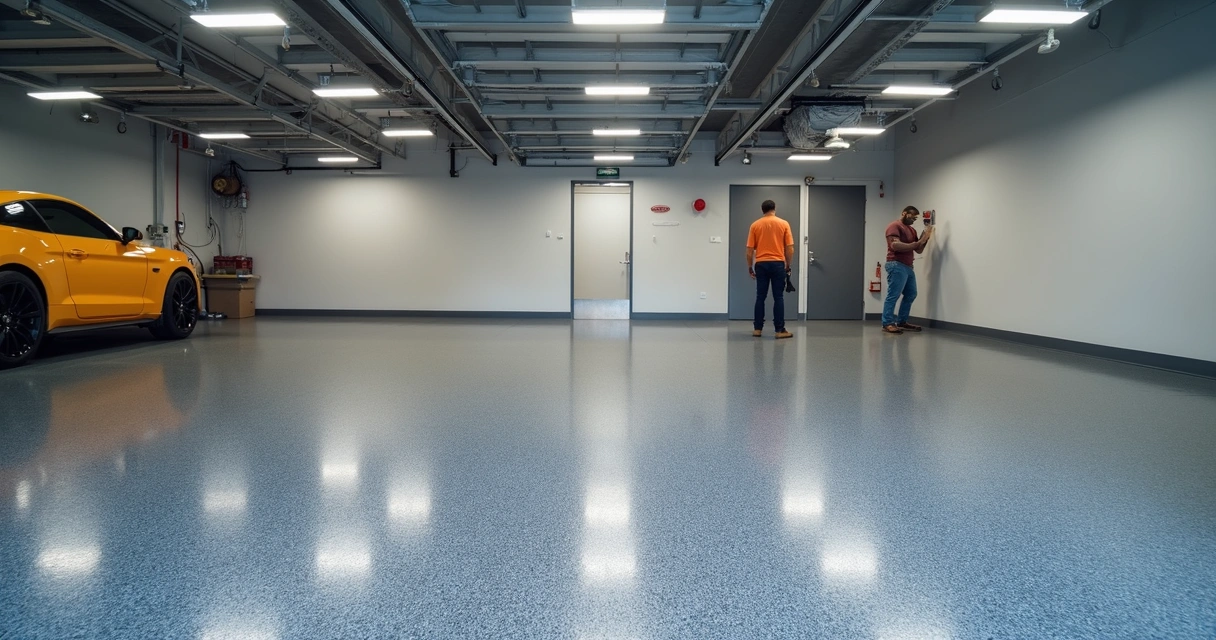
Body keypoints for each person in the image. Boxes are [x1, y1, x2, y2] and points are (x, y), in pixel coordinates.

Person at [746, 200, 795, 339]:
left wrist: (750, 267)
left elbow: (749, 250)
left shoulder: (755, 225)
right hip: (778, 264)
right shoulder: (784, 224)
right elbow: (790, 248)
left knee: (760, 297)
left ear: (762, 210)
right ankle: (779, 330)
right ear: (775, 208)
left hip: (761, 264)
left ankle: (757, 329)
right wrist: (788, 264)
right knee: (778, 297)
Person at [882, 205, 933, 334]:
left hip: (908, 266)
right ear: (904, 213)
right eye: (912, 217)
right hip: (896, 264)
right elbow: (895, 245)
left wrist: (925, 236)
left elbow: (918, 249)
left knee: (911, 294)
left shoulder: (912, 230)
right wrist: (919, 241)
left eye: (916, 219)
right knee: (894, 295)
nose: (913, 220)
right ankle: (887, 323)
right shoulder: (894, 226)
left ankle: (902, 322)